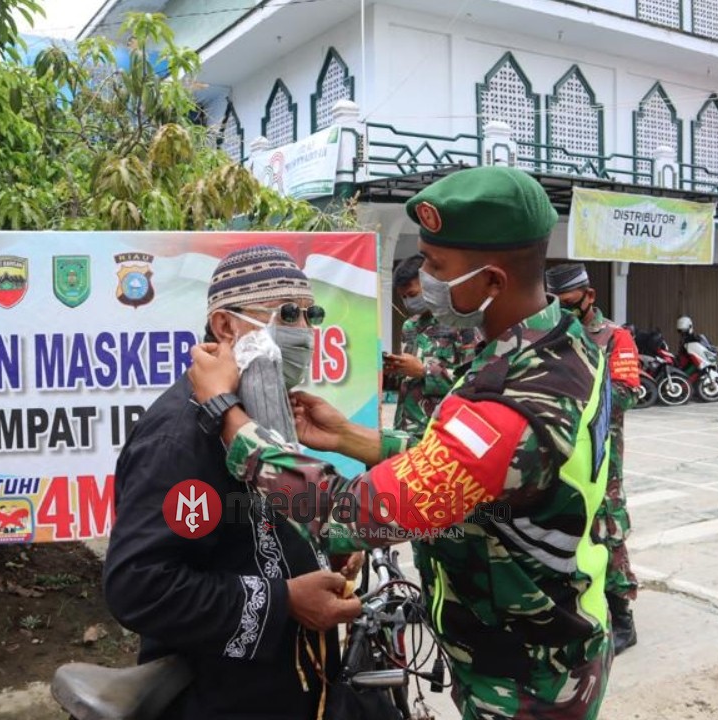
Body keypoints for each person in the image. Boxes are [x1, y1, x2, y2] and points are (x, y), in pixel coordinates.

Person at [190, 166, 616, 719]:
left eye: (439, 268)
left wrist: (228, 417)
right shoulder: (554, 347)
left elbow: (353, 513)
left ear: (492, 281)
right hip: (540, 633)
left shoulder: (514, 403)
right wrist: (350, 436)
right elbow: (460, 465)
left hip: (527, 675)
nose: (426, 282)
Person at [103, 245, 365, 720]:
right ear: (226, 326)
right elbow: (140, 585)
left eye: (311, 315)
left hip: (294, 685)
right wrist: (284, 601)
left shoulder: (263, 415)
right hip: (225, 695)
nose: (304, 332)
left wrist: (329, 543)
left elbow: (284, 514)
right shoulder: (180, 438)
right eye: (287, 314)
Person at [546, 263, 642, 654]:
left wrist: (573, 397)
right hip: (557, 455)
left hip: (602, 458)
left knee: (608, 533)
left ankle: (623, 619)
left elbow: (627, 392)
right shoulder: (550, 334)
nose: (565, 314)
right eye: (558, 306)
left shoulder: (614, 337)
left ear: (590, 297)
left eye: (571, 305)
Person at [386, 253, 478, 439]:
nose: (408, 302)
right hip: (406, 428)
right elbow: (410, 379)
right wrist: (395, 369)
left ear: (429, 284)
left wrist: (424, 371)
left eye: (412, 294)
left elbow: (473, 381)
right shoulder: (410, 326)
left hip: (440, 430)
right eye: (403, 297)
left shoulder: (462, 323)